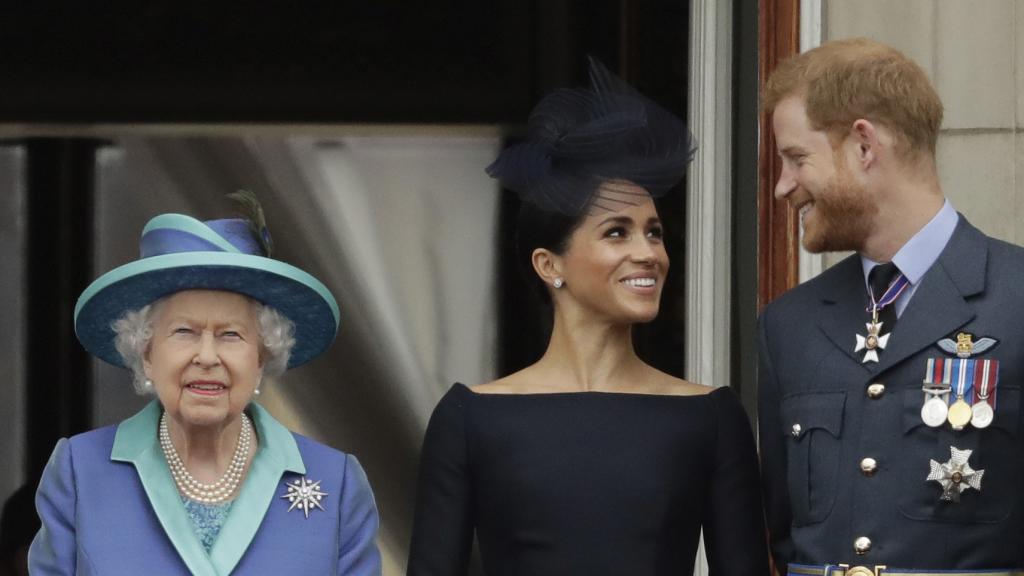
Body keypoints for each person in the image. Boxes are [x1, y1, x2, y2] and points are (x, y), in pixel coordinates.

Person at [406, 59, 769, 575]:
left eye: (655, 232)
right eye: (617, 232)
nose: (649, 253)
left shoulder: (709, 417)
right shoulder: (470, 419)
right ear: (549, 264)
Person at [759, 38, 1024, 574]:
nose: (783, 186)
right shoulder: (788, 324)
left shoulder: (1016, 295)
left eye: (796, 158)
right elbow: (783, 533)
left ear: (863, 146)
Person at [28, 194, 381, 575]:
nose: (208, 357)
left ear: (262, 357)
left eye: (231, 335)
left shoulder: (336, 481)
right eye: (184, 332)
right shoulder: (80, 471)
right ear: (146, 352)